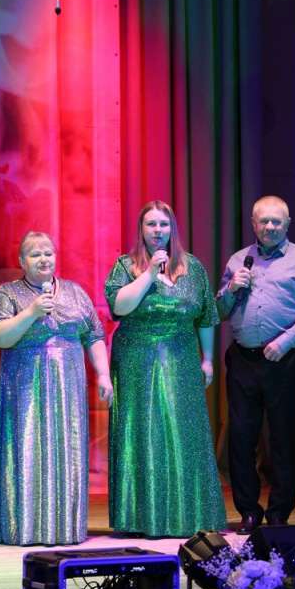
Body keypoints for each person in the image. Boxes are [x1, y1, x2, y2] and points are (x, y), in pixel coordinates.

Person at [104, 200, 225, 537]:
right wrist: (148, 274)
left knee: (184, 433)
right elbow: (119, 307)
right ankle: (142, 518)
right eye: (151, 224)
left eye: (163, 224)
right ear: (141, 230)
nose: (158, 231)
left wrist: (207, 358)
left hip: (182, 356)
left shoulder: (193, 267)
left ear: (173, 229)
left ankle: (189, 515)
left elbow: (206, 316)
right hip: (137, 359)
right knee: (144, 432)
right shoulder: (125, 265)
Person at [0, 232, 112, 545]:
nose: (43, 259)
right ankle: (22, 527)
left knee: (67, 449)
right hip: (25, 384)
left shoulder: (75, 292)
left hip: (68, 386)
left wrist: (104, 375)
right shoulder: (8, 293)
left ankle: (64, 527)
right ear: (21, 261)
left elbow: (94, 335)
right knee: (26, 448)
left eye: (48, 253)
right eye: (35, 254)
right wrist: (31, 312)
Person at [217, 195, 295, 532]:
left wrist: (285, 341)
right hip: (243, 360)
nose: (269, 227)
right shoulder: (239, 260)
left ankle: (279, 513)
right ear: (253, 224)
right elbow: (219, 312)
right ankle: (248, 511)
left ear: (287, 224)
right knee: (241, 438)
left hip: (285, 360)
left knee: (282, 438)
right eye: (263, 221)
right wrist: (231, 289)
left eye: (276, 221)